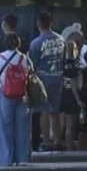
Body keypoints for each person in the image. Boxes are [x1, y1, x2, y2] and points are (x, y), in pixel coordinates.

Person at [0, 33, 32, 167]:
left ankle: (5, 159)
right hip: (22, 94)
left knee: (4, 126)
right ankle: (22, 158)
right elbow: (30, 76)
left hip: (4, 93)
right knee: (23, 127)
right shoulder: (25, 58)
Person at [29, 11, 65, 152]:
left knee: (43, 111)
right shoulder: (61, 40)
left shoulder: (36, 43)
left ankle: (46, 142)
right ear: (51, 23)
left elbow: (32, 64)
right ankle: (57, 141)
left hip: (42, 79)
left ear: (38, 24)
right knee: (54, 112)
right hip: (58, 78)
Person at [60, 40, 84, 151]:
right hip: (72, 96)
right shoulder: (76, 65)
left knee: (61, 124)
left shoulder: (60, 64)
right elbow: (76, 84)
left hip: (62, 95)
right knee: (71, 125)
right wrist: (79, 99)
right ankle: (70, 147)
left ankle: (57, 143)